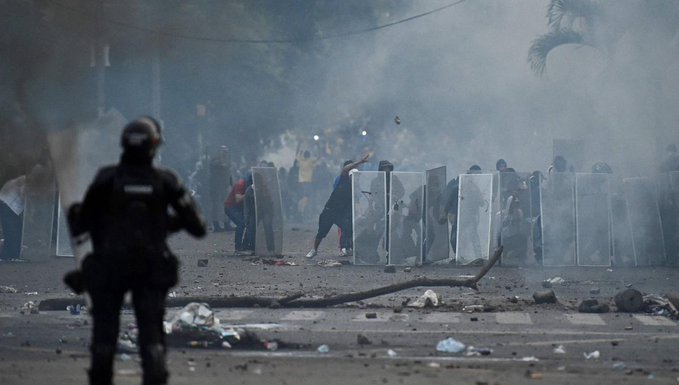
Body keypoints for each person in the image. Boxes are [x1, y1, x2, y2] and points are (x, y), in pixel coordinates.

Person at [64, 117, 206, 385]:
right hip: (150, 267)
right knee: (151, 335)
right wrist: (167, 224)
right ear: (155, 145)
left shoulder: (106, 178)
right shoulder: (165, 181)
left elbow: (81, 225)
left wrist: (78, 214)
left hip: (110, 266)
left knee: (104, 336)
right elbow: (197, 227)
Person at [306, 154, 370, 259]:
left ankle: (346, 248)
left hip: (340, 214)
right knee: (321, 233)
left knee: (348, 227)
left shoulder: (355, 188)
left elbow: (358, 200)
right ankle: (314, 250)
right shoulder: (342, 180)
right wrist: (360, 162)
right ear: (349, 176)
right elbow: (345, 169)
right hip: (330, 210)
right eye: (352, 176)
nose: (354, 179)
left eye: (356, 177)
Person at [224, 173, 252, 253]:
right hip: (230, 206)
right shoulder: (240, 184)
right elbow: (237, 198)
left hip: (241, 208)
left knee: (250, 223)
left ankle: (245, 245)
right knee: (241, 223)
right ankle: (238, 247)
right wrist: (248, 194)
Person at [0, 174, 26, 261]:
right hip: (8, 204)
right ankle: (12, 255)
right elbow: (23, 194)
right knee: (12, 229)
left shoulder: (23, 177)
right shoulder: (26, 179)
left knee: (12, 229)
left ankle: (8, 254)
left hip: (6, 203)